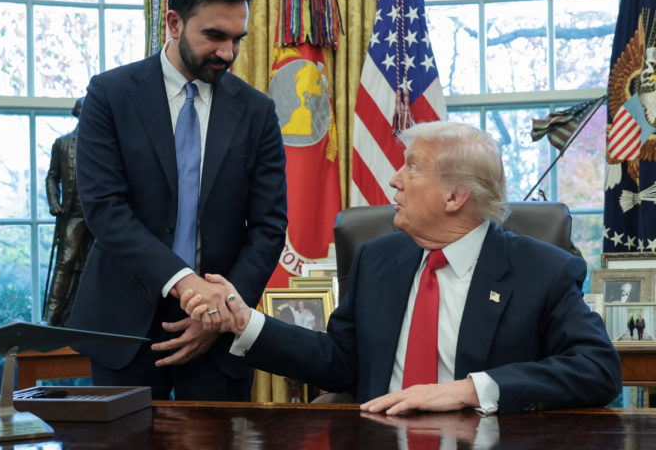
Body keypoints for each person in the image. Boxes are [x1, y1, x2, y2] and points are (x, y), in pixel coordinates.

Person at [185, 121, 622, 414]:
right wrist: (247, 323)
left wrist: (469, 390)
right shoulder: (378, 259)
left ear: (455, 198)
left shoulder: (541, 269)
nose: (394, 179)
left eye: (411, 168)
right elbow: (341, 362)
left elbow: (598, 369)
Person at [67, 0, 287, 401]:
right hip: (123, 326)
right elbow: (106, 210)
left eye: (237, 39)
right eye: (214, 36)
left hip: (220, 330)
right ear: (173, 22)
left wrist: (218, 311)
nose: (228, 53)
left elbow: (268, 226)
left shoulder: (258, 112)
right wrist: (187, 284)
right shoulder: (109, 95)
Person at [43, 98, 93, 327]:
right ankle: (51, 316)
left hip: (101, 215)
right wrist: (54, 202)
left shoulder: (103, 144)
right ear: (77, 113)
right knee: (66, 261)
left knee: (97, 263)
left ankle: (93, 315)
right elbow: (52, 176)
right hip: (73, 212)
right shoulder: (61, 143)